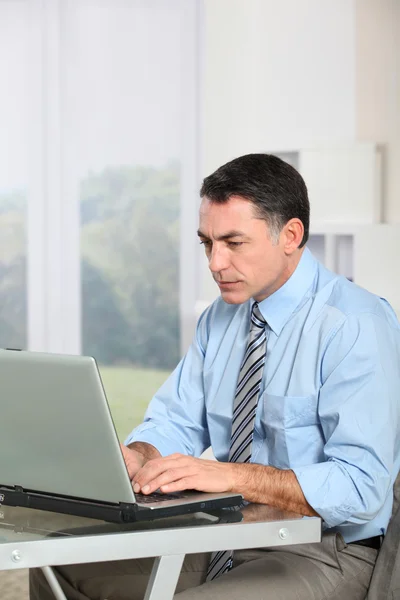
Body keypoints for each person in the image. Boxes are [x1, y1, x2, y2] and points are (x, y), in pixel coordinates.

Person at [30, 153, 400, 600]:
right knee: (58, 563)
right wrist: (140, 455)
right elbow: (178, 420)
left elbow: (362, 487)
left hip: (326, 548)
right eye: (207, 242)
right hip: (228, 533)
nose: (215, 262)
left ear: (291, 235)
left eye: (233, 242)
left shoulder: (355, 324)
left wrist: (232, 476)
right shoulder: (221, 319)